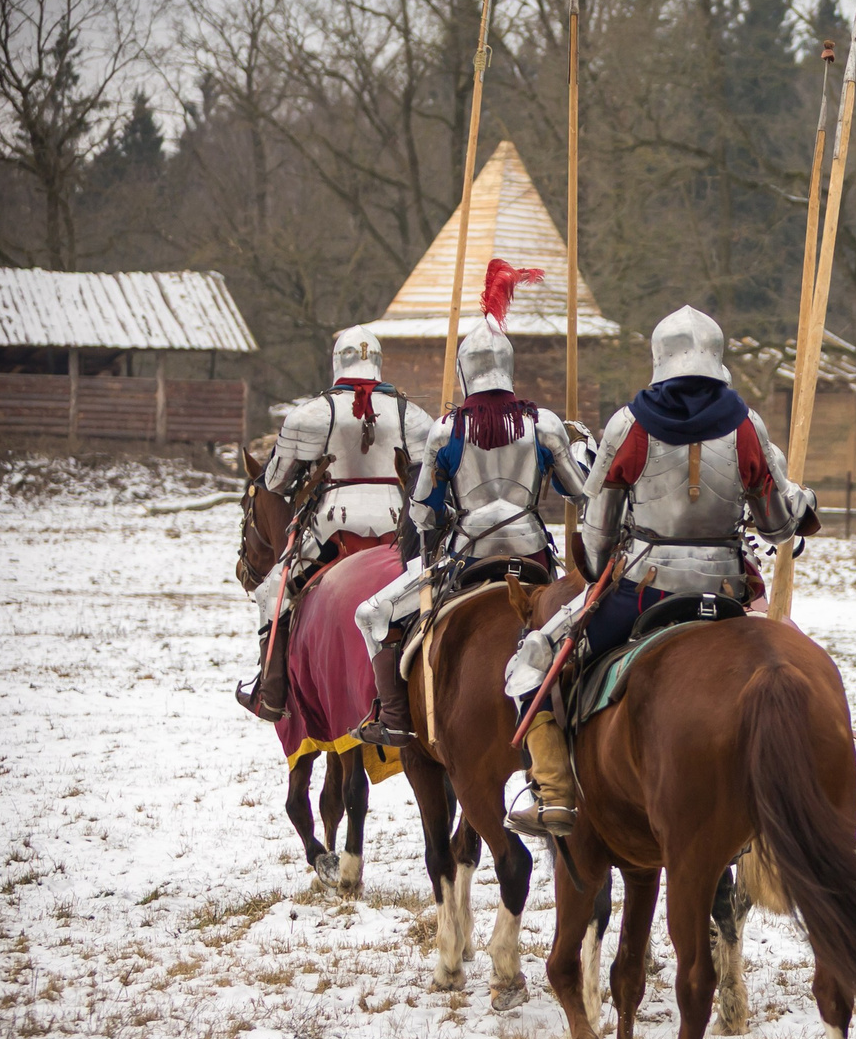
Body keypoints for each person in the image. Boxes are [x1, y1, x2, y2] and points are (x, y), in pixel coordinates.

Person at [499, 305, 818, 835]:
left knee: (534, 657)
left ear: (658, 357)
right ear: (716, 357)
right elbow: (779, 526)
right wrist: (800, 500)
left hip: (643, 590)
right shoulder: (745, 423)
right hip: (727, 592)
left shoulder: (629, 423)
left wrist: (603, 574)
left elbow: (597, 531)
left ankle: (555, 792)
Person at [355, 261, 589, 747]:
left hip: (467, 558)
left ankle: (396, 717)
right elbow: (578, 491)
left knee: (373, 614)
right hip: (532, 554)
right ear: (509, 367)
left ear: (465, 371)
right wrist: (578, 446)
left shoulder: (447, 429)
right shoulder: (541, 423)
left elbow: (421, 512)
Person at [239, 326, 435, 720]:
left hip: (333, 528)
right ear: (378, 363)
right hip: (398, 528)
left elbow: (275, 482)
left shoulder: (310, 415)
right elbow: (425, 478)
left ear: (336, 363)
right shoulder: (412, 415)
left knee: (272, 590)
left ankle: (271, 692)